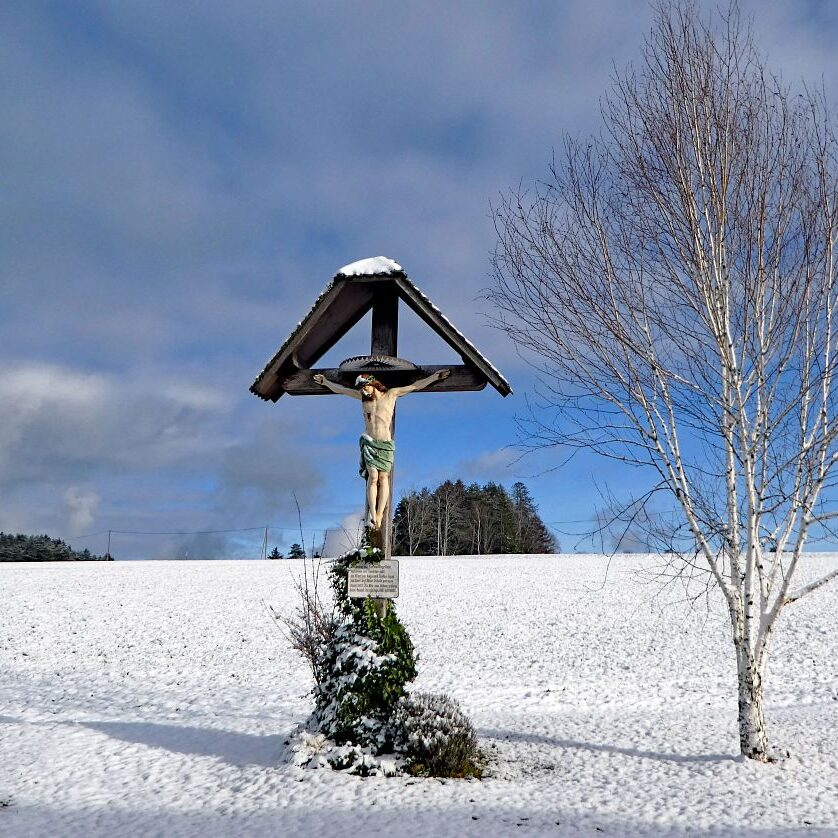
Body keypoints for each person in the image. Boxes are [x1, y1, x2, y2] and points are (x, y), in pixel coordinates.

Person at [313, 369, 451, 530]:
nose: (363, 391)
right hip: (370, 442)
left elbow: (415, 386)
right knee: (373, 478)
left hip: (385, 444)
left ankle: (379, 514)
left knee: (383, 478)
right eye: (361, 389)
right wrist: (326, 382)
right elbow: (342, 390)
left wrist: (435, 376)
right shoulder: (363, 399)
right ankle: (372, 513)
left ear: (372, 383)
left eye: (365, 387)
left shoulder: (391, 395)